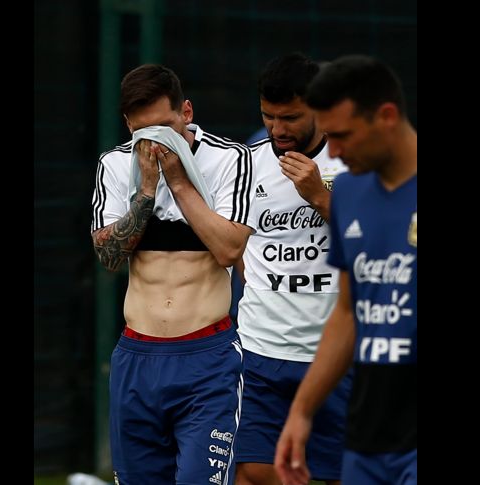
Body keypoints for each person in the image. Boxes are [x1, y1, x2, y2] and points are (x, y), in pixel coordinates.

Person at [90, 64, 256, 485]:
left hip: (207, 358)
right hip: (137, 356)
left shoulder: (228, 159)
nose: (157, 143)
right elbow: (109, 259)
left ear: (186, 111)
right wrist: (145, 192)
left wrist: (178, 182)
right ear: (128, 125)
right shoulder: (113, 165)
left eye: (167, 127)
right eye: (145, 133)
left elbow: (228, 249)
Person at [274, 54, 417, 485]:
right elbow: (347, 313)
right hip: (367, 437)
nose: (332, 151)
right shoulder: (350, 193)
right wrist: (301, 412)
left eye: (342, 136)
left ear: (386, 116)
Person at [234, 52, 350, 485]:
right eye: (268, 116)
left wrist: (320, 197)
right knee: (254, 471)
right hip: (262, 352)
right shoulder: (248, 162)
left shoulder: (356, 161)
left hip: (337, 352)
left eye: (290, 118)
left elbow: (386, 239)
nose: (278, 130)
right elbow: (235, 242)